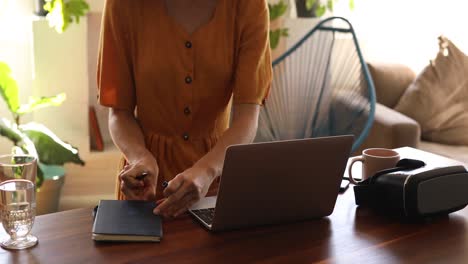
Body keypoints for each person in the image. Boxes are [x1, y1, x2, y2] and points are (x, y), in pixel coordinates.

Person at [97, 0, 272, 218]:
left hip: (217, 177)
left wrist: (207, 171)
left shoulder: (248, 6)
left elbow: (247, 116)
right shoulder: (123, 5)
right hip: (143, 185)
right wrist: (139, 158)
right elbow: (119, 112)